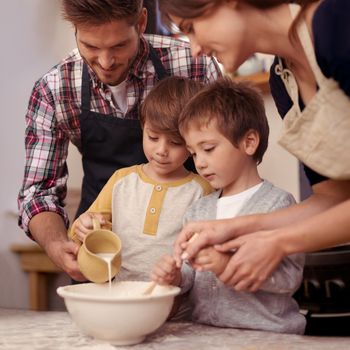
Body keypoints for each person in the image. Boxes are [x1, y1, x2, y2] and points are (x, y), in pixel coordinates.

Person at [17, 0, 221, 281]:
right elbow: (39, 193)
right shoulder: (54, 88)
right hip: (102, 256)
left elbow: (229, 165)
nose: (105, 61)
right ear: (75, 28)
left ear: (140, 23)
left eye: (118, 46)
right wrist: (56, 245)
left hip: (187, 265)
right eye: (90, 47)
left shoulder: (193, 65)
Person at [158, 0, 350, 292]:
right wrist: (234, 228)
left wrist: (280, 241)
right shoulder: (282, 82)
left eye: (191, 28)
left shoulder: (335, 21)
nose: (195, 47)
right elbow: (332, 199)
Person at [151, 77, 305, 334]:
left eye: (208, 149)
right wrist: (175, 277)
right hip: (206, 334)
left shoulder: (278, 205)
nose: (199, 162)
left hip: (267, 337)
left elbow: (288, 279)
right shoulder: (198, 211)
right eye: (194, 153)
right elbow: (190, 270)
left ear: (249, 142)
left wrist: (226, 265)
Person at [69, 76, 212, 282]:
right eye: (153, 137)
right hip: (122, 297)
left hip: (178, 304)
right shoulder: (121, 180)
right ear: (143, 127)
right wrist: (83, 226)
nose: (161, 150)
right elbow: (80, 232)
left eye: (175, 142)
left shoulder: (202, 190)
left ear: (192, 143)